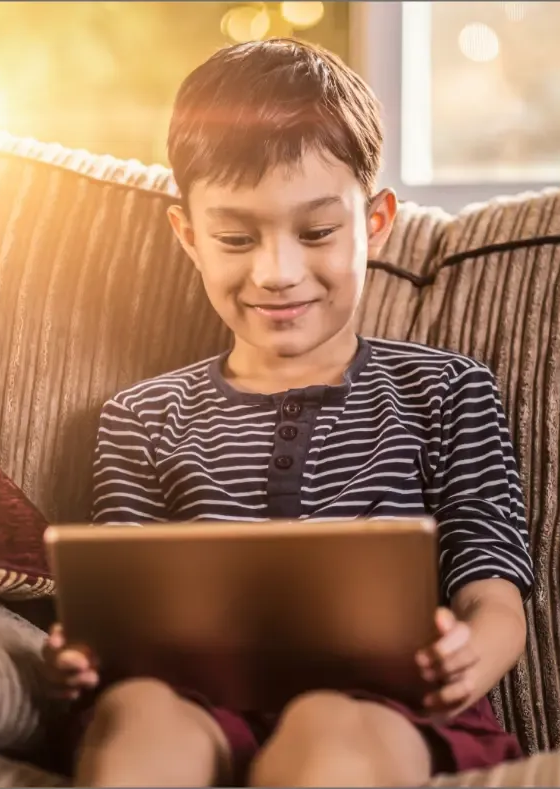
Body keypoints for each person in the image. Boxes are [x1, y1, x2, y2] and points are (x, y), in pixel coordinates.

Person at [42, 38, 534, 787]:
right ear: (188, 236)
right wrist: (80, 655)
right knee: (140, 711)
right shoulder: (140, 418)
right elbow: (120, 616)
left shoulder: (446, 391)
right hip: (194, 701)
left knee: (328, 726)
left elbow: (491, 585)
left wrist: (470, 657)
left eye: (315, 232)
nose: (277, 273)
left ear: (373, 223)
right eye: (236, 238)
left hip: (388, 707)